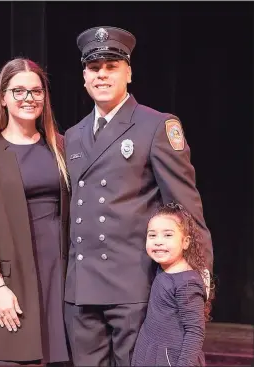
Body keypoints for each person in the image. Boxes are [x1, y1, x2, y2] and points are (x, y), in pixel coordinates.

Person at [63, 26, 213, 366]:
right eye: (94, 68)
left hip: (133, 287)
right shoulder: (72, 136)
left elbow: (186, 207)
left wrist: (198, 278)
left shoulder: (155, 126)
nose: (102, 75)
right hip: (81, 290)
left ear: (128, 72)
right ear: (84, 76)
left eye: (111, 66)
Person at [0, 58, 70, 367]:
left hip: (58, 277)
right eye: (18, 91)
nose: (28, 99)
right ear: (4, 98)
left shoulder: (62, 147)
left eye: (36, 91)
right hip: (10, 279)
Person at [131, 203, 214, 366]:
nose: (158, 242)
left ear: (185, 242)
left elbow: (195, 332)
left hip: (171, 359)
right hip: (151, 353)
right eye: (152, 235)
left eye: (168, 235)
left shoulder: (187, 283)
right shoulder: (162, 269)